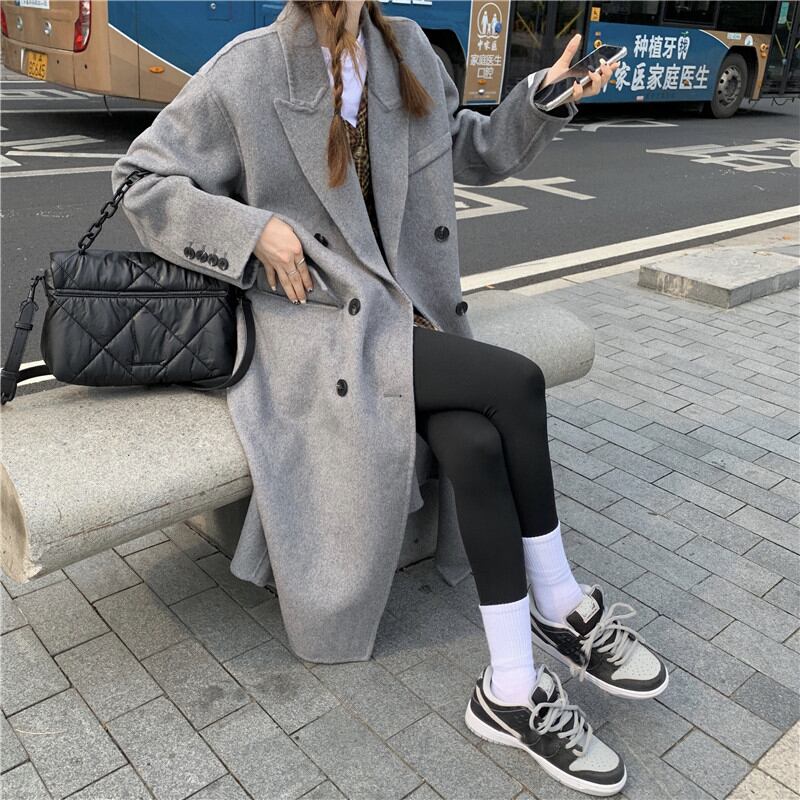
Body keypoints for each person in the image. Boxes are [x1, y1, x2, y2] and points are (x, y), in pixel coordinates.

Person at [113, 2, 666, 795]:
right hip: (321, 329)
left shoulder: (404, 45)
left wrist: (540, 97)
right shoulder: (251, 68)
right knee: (514, 382)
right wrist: (252, 230)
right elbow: (140, 179)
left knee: (476, 442)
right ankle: (560, 600)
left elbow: (461, 148)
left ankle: (510, 689)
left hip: (407, 318)